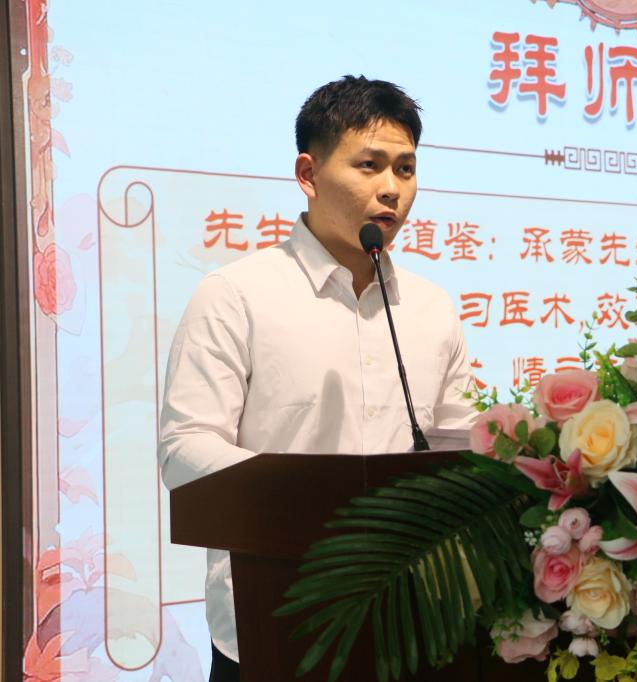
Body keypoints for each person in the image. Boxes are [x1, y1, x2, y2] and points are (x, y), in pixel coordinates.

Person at [157, 76, 477, 682]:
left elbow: (458, 444)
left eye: (406, 169)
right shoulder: (236, 296)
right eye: (369, 165)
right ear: (308, 174)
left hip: (412, 625)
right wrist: (317, 500)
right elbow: (185, 450)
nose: (392, 188)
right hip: (275, 623)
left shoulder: (432, 309)